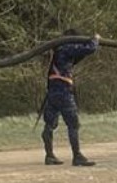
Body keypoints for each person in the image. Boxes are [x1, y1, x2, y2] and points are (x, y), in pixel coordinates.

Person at [41, 29, 100, 167]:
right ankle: (77, 156)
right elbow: (90, 49)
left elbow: (77, 58)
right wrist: (95, 39)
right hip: (64, 92)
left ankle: (49, 155)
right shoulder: (67, 47)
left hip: (52, 92)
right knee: (73, 124)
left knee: (49, 124)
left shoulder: (59, 51)